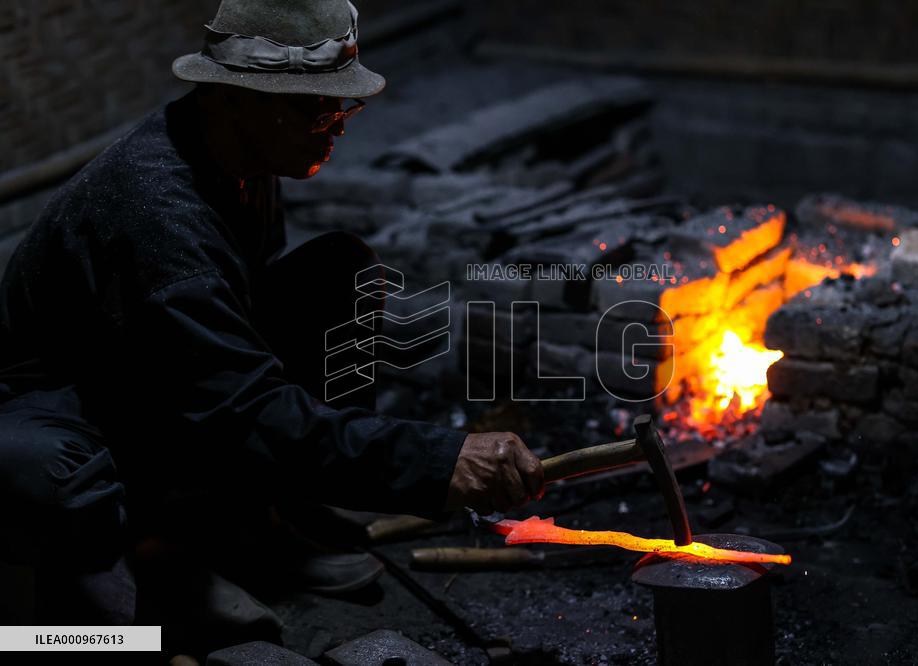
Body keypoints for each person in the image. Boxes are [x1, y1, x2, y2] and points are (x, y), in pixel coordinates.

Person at [0, 0, 543, 643]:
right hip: (60, 404)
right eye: (315, 109)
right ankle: (138, 608)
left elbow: (240, 346)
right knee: (57, 477)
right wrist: (433, 460)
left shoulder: (238, 154)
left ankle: (253, 527)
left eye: (342, 106)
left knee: (338, 269)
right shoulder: (157, 217)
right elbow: (243, 408)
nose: (336, 126)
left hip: (160, 369)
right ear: (233, 98)